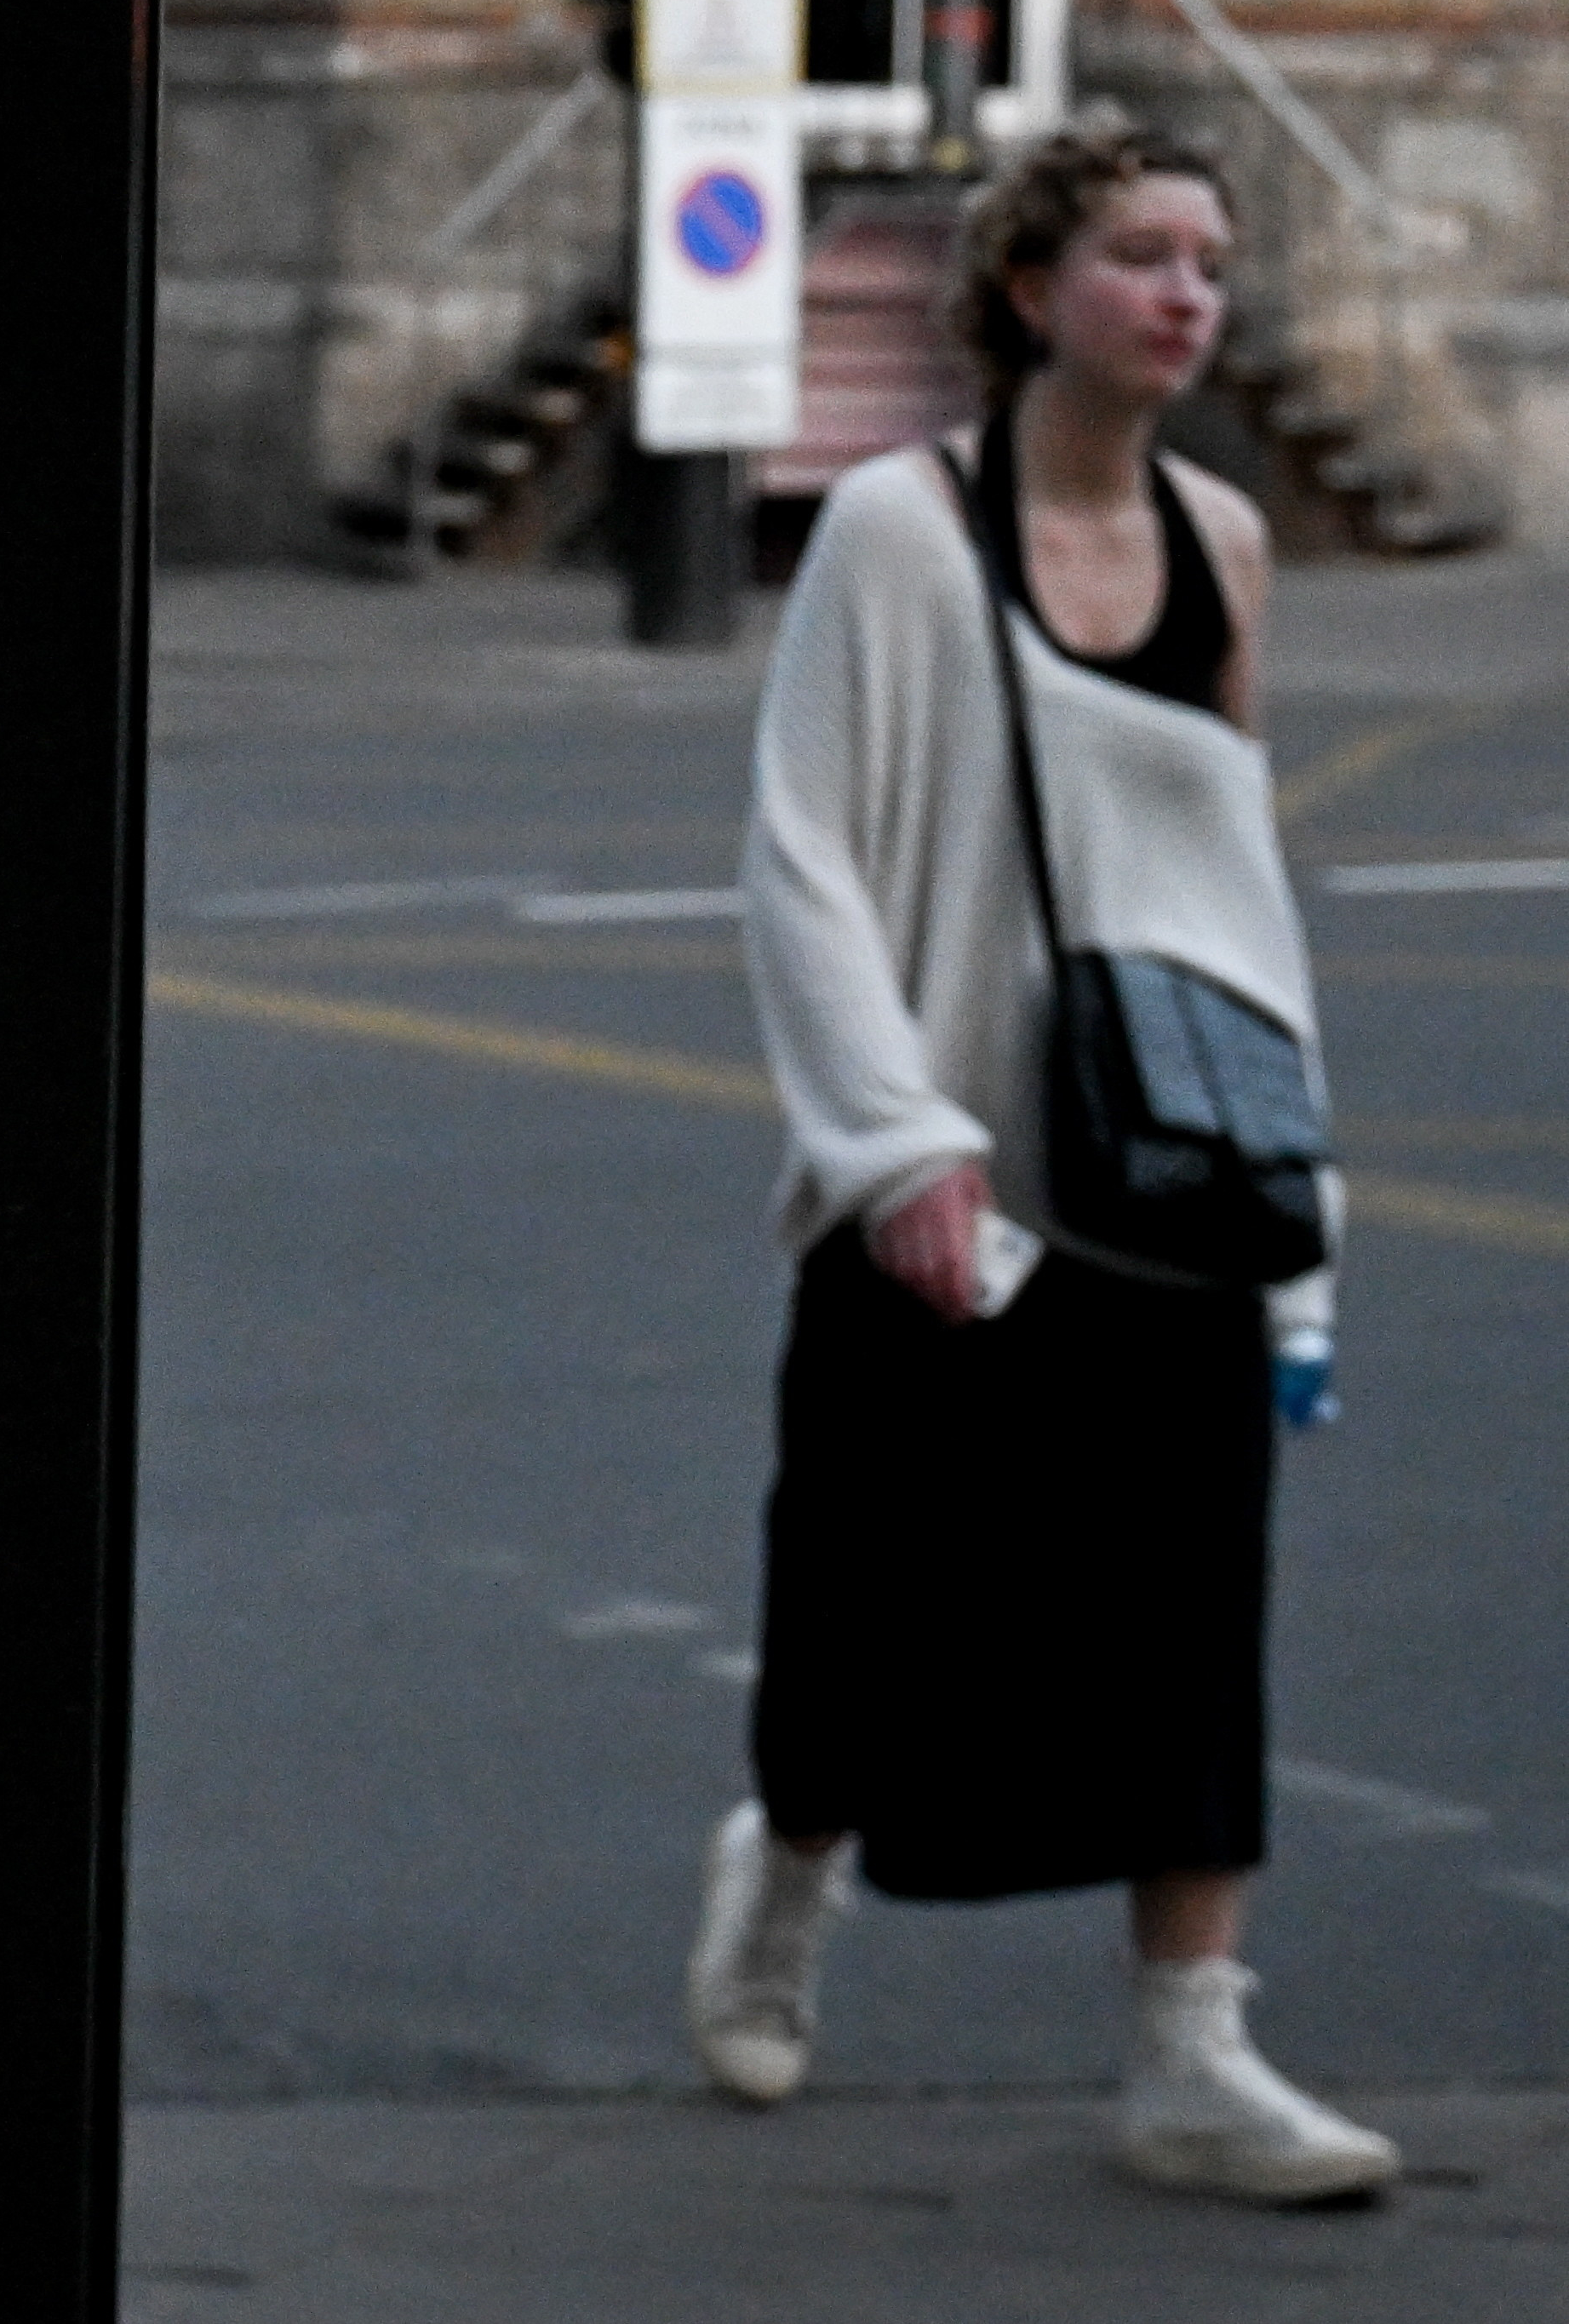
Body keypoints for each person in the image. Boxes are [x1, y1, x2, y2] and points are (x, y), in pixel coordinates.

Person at [690, 129, 1391, 2201]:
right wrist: (895, 1135)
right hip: (944, 1167)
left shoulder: (1226, 541)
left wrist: (1301, 1227)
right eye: (1142, 254)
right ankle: (789, 1873)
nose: (1188, 293)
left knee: (1194, 1606)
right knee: (862, 1605)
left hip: (1168, 1175)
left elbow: (1226, 887)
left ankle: (1191, 2048)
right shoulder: (900, 531)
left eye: (1212, 263)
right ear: (1031, 286)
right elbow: (800, 849)